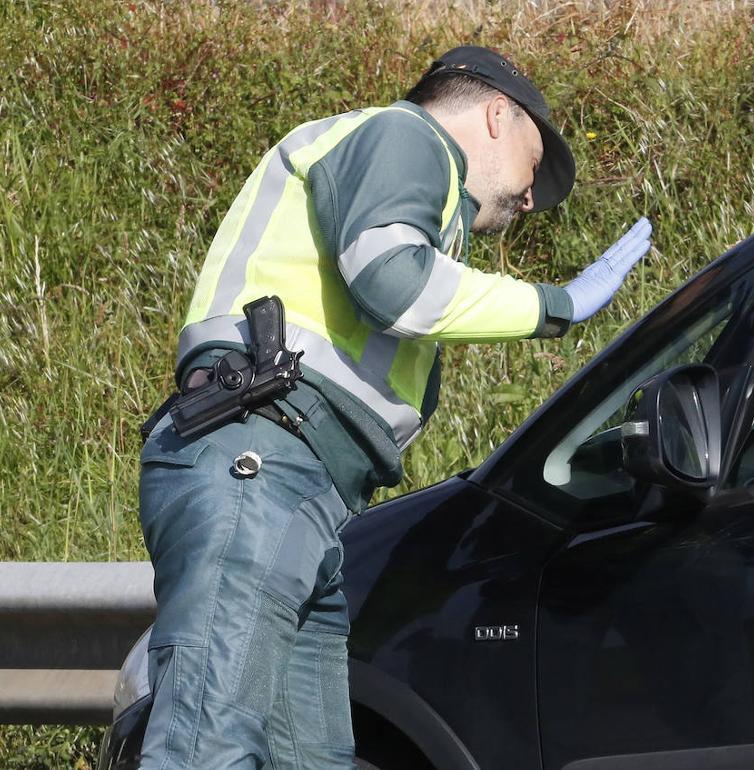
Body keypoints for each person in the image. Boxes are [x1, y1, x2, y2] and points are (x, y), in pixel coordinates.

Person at [136, 46, 650, 768]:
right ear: (497, 116)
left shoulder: (413, 188)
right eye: (536, 168)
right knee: (204, 746)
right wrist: (555, 304)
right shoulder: (407, 138)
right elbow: (388, 280)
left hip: (300, 489)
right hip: (260, 459)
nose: (531, 199)